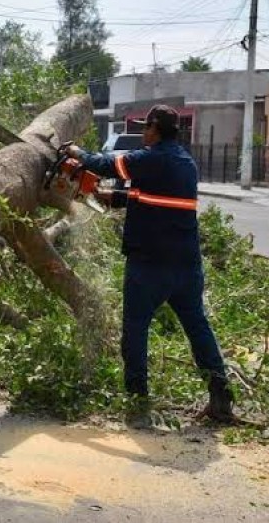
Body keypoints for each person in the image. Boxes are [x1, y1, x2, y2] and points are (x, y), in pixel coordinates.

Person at [65, 105, 234, 427]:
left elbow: (105, 164)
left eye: (146, 128)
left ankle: (137, 402)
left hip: (150, 265)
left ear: (155, 128)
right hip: (186, 266)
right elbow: (150, 197)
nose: (143, 133)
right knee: (198, 327)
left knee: (136, 330)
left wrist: (76, 152)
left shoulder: (150, 158)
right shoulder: (185, 162)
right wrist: (108, 197)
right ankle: (220, 397)